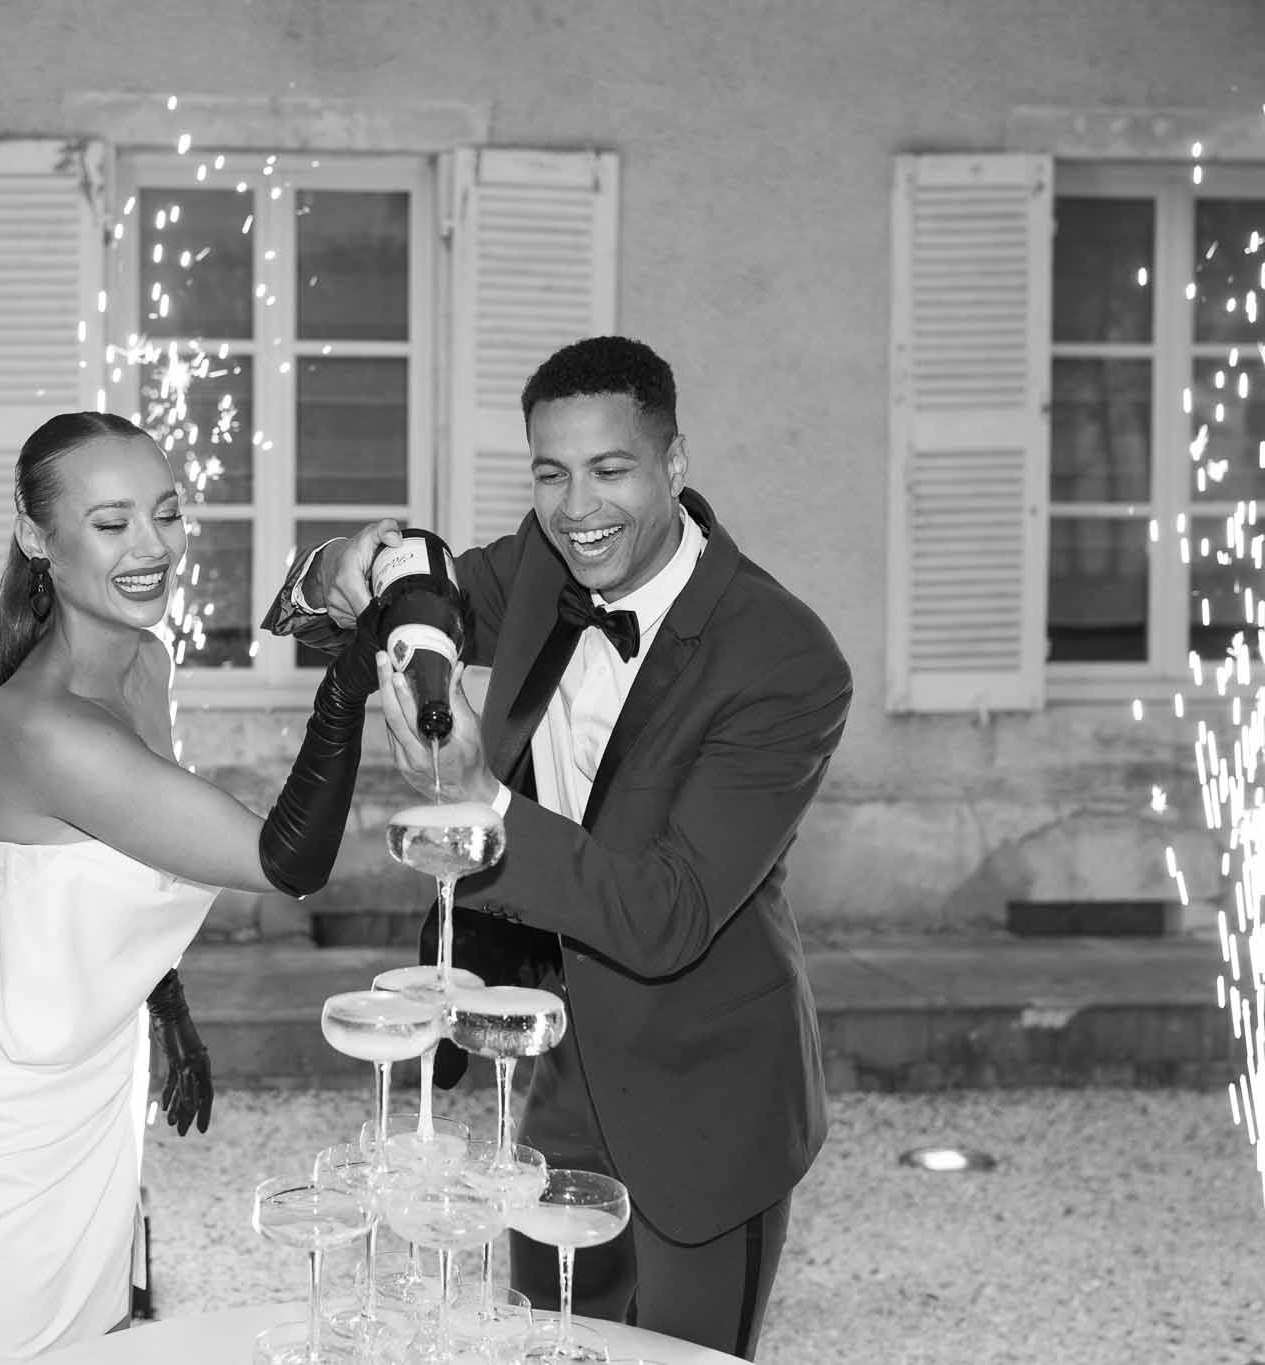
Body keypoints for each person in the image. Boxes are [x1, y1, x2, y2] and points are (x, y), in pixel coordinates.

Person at [261, 336, 852, 1360]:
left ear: (674, 464)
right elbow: (336, 619)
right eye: (549, 472)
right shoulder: (544, 562)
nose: (577, 507)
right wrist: (356, 565)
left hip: (706, 1081)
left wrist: (480, 800)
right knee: (542, 1345)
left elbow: (664, 916)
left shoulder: (785, 659)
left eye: (610, 470)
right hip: (554, 1062)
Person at [0, 411, 380, 1364]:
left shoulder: (146, 666)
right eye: (111, 523)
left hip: (92, 1095)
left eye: (168, 512)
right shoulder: (34, 725)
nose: (152, 547)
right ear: (38, 538)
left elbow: (139, 864)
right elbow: (287, 861)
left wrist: (168, 1004)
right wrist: (348, 680)